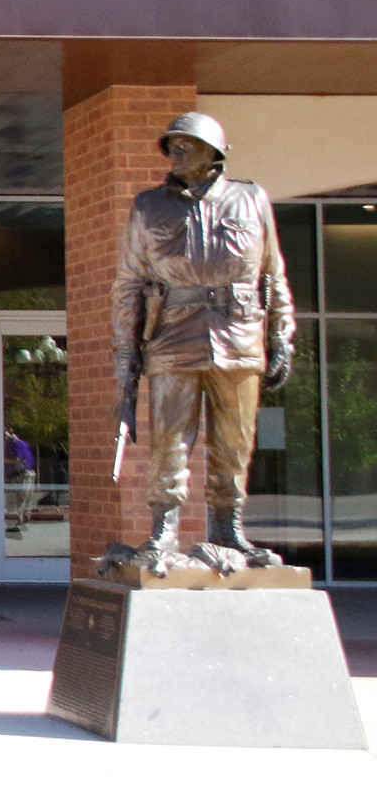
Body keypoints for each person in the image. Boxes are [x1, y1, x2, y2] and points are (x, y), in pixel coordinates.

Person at [110, 112, 293, 563]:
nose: (175, 149)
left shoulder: (252, 201)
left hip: (240, 337)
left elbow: (275, 275)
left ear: (213, 151)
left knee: (235, 442)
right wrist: (125, 356)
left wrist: (282, 336)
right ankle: (163, 532)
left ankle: (228, 531)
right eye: (171, 143)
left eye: (186, 143)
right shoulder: (149, 206)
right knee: (169, 441)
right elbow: (129, 284)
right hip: (173, 337)